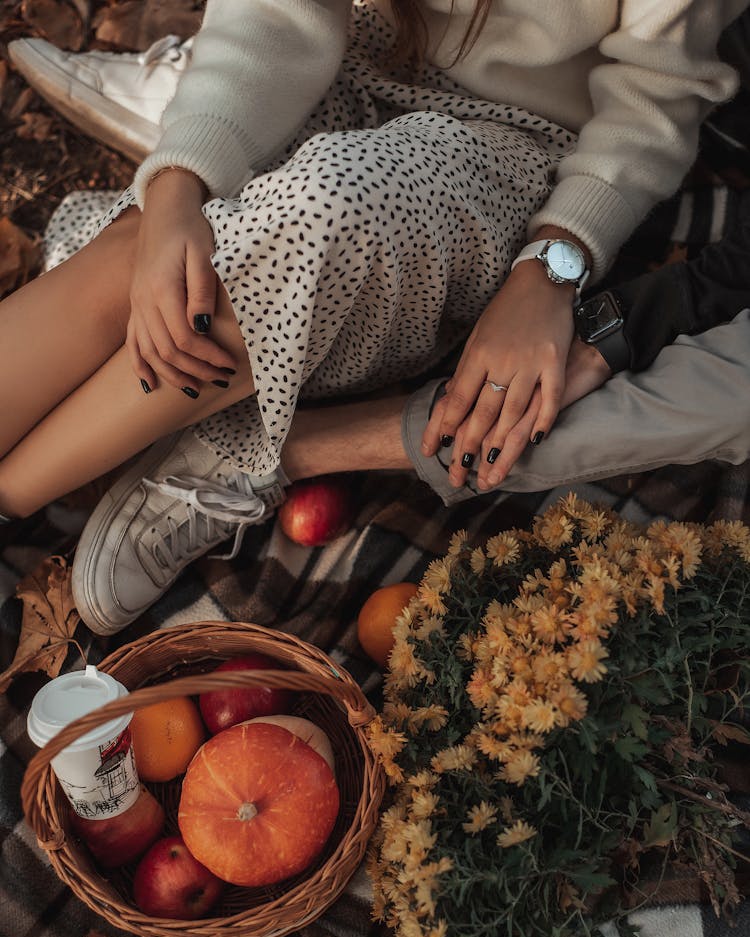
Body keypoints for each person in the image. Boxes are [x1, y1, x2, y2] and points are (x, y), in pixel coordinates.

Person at [0, 0, 745, 636]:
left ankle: (20, 496)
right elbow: (282, 14)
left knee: (316, 214)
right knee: (157, 242)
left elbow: (656, 96)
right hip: (353, 63)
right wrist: (175, 188)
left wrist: (551, 266)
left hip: (513, 146)